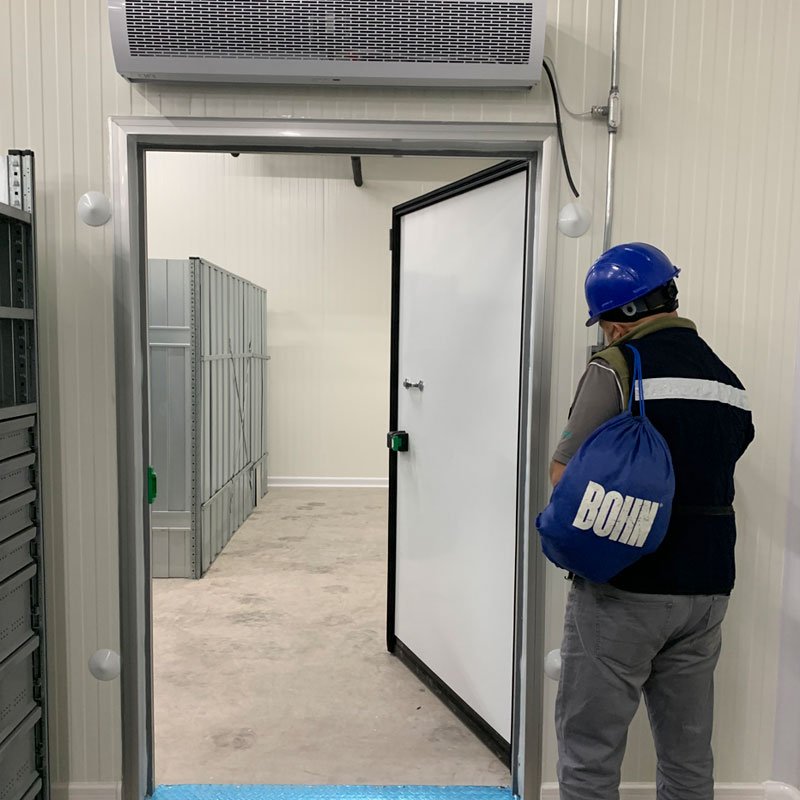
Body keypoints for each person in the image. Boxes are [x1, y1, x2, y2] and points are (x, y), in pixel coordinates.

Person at [550, 242, 755, 800]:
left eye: (606, 321)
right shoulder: (725, 378)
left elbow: (564, 476)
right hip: (708, 588)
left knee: (590, 753)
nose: (607, 332)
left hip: (627, 588)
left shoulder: (618, 365)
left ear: (623, 316)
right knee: (688, 755)